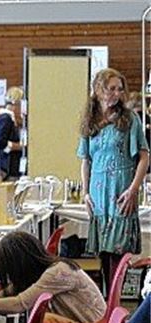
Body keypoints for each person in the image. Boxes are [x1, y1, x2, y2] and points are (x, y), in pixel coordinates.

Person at [78, 68, 149, 290]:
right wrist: (85, 193)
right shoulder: (90, 121)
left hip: (121, 192)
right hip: (99, 196)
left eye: (120, 89)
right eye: (111, 89)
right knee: (103, 256)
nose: (116, 94)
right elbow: (85, 160)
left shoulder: (129, 119)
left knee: (118, 256)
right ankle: (106, 306)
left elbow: (144, 156)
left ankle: (114, 305)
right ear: (99, 90)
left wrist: (133, 189)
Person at [0, 86, 25, 180]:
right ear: (16, 103)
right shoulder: (6, 119)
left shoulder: (6, 118)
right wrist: (18, 146)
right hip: (6, 169)